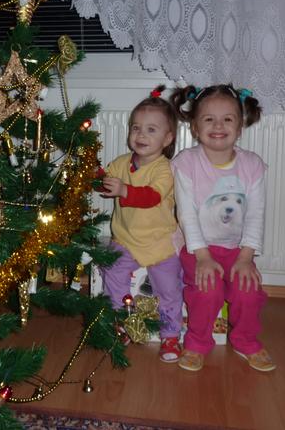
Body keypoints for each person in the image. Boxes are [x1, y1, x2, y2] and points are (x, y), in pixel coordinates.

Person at [169, 84, 275, 372]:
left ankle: (245, 340)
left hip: (237, 249)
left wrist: (246, 258)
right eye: (209, 119)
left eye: (227, 119)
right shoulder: (186, 163)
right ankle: (197, 342)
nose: (218, 126)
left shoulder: (252, 165)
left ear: (239, 127)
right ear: (194, 127)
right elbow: (186, 215)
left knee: (247, 290)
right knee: (208, 289)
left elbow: (256, 215)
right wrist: (203, 257)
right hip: (197, 247)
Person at [100, 85, 184, 363]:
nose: (141, 135)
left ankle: (171, 335)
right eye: (136, 128)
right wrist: (95, 176)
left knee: (168, 289)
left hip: (160, 242)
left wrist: (124, 190)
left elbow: (151, 197)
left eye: (151, 130)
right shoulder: (122, 162)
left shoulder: (165, 168)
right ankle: (123, 321)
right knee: (111, 271)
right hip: (126, 239)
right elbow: (105, 180)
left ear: (167, 138)